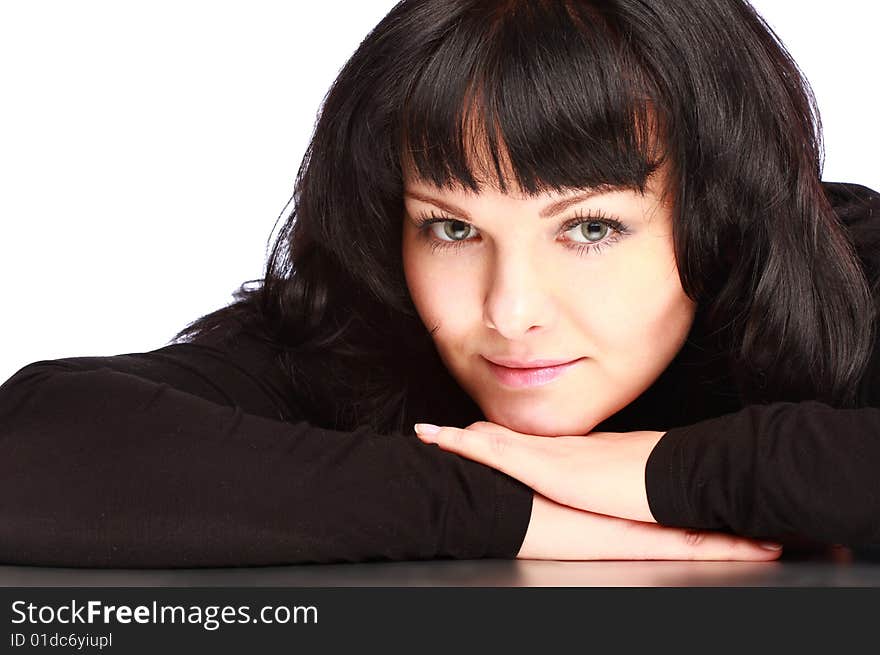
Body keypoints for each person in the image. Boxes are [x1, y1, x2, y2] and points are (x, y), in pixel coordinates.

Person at [0, 0, 877, 567]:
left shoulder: (853, 271)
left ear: (725, 211)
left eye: (592, 227)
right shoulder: (365, 324)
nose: (510, 310)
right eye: (453, 229)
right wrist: (500, 503)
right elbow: (32, 449)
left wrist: (660, 473)